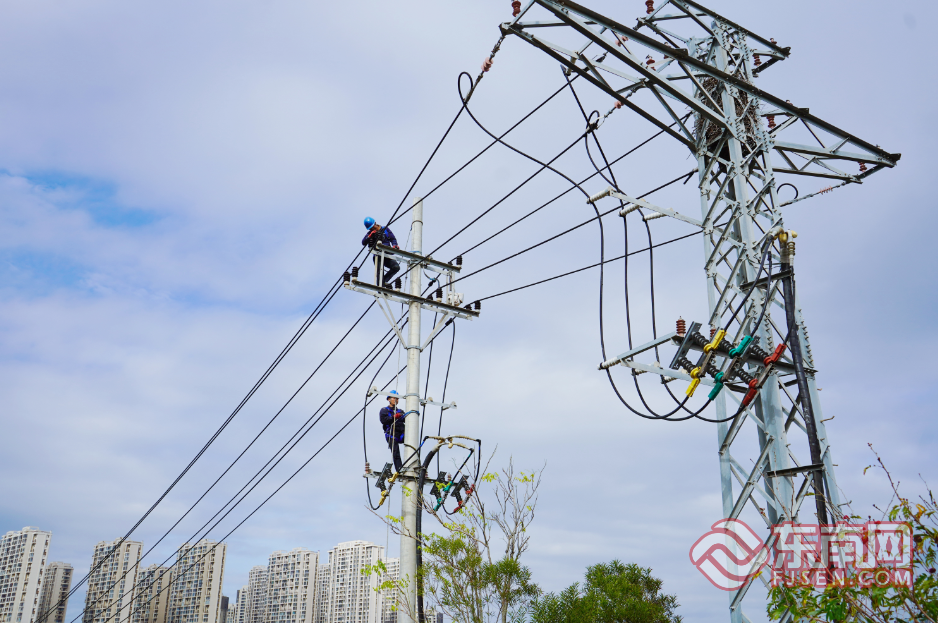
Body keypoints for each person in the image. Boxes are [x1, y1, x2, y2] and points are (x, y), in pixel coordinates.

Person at [362, 217, 401, 287]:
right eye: (370, 228)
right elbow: (363, 242)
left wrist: (395, 245)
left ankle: (384, 281)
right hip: (377, 255)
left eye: (372, 227)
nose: (372, 229)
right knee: (380, 272)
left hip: (387, 254)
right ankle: (380, 286)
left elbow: (392, 238)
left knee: (395, 267)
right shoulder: (370, 233)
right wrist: (370, 236)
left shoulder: (385, 229)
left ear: (375, 223)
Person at [379, 390, 406, 472]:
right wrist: (394, 417)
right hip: (391, 434)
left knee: (412, 444)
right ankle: (400, 470)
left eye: (397, 398)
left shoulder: (400, 411)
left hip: (401, 433)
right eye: (394, 398)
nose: (396, 400)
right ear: (389, 399)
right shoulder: (384, 410)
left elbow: (407, 419)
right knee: (395, 453)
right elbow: (383, 420)